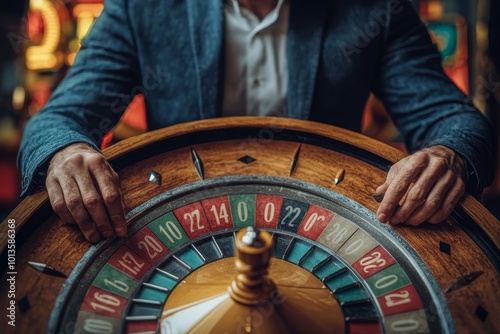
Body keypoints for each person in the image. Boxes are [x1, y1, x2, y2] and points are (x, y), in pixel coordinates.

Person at [18, 0, 495, 243]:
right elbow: (58, 120)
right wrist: (66, 151)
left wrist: (446, 154)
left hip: (324, 228)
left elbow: (455, 120)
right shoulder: (144, 8)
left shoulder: (375, 9)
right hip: (184, 227)